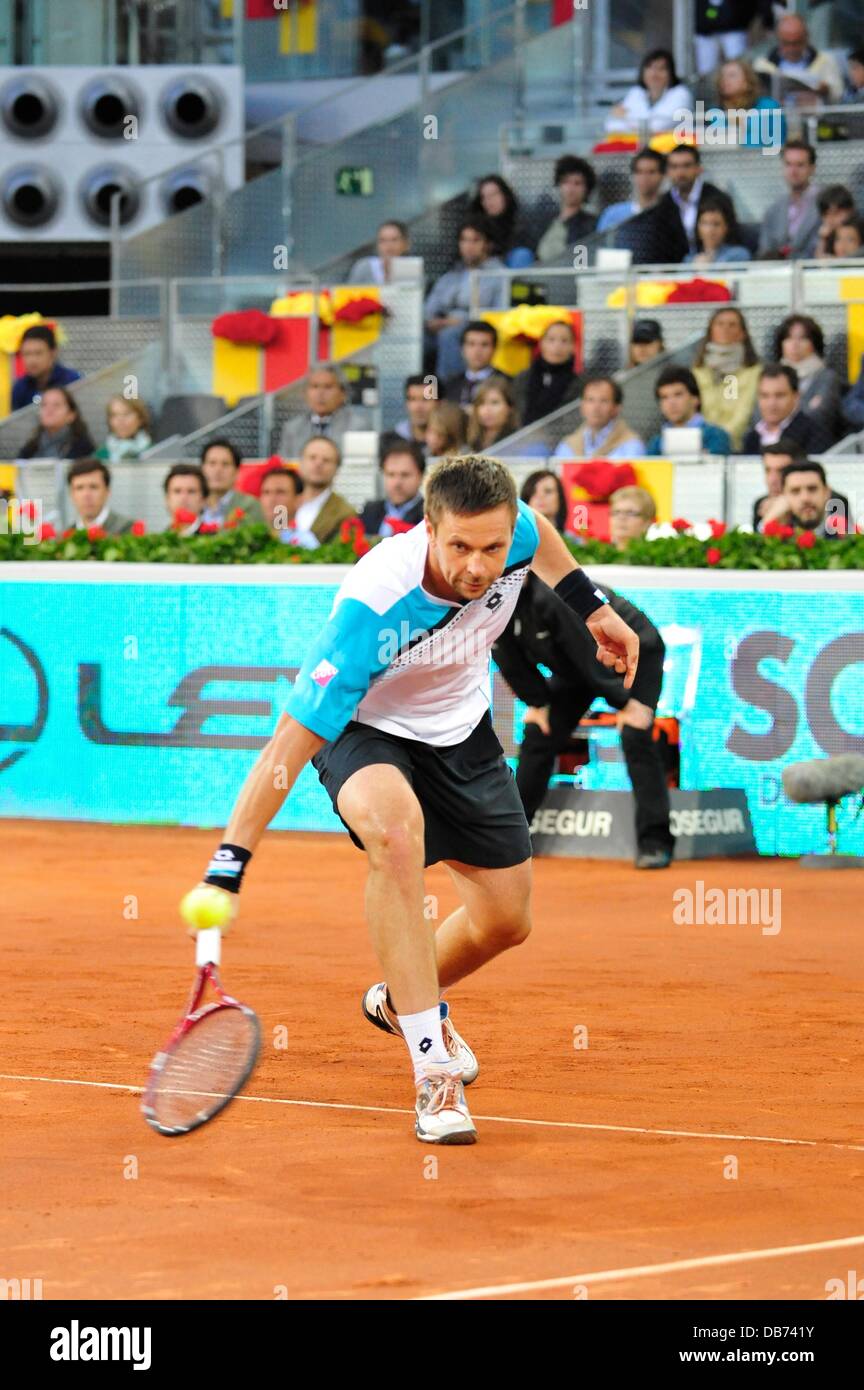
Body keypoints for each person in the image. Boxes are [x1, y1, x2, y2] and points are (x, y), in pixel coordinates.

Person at [182, 454, 640, 1145]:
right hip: (366, 733)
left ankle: (400, 1000)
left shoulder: (512, 532)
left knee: (506, 921)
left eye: (491, 547)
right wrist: (228, 863)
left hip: (461, 731)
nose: (479, 567)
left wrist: (592, 608)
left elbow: (540, 531)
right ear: (428, 527)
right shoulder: (375, 605)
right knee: (396, 836)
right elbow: (287, 746)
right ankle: (433, 1071)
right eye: (459, 546)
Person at [494, 573, 673, 869]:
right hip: (577, 669)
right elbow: (509, 658)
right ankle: (512, 839)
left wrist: (627, 704)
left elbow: (587, 651)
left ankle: (655, 842)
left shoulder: (551, 596)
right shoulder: (494, 603)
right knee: (539, 732)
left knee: (634, 733)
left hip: (634, 656)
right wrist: (537, 702)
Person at [424, 218, 508, 380]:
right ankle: (421, 394)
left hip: (476, 329)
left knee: (449, 335)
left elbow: (499, 314)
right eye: (464, 240)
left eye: (475, 240)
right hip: (442, 326)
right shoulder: (452, 274)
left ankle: (451, 392)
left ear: (488, 244)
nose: (469, 246)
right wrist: (431, 321)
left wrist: (462, 321)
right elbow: (430, 307)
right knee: (418, 338)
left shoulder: (499, 274)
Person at [692, 306, 762, 450]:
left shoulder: (754, 372)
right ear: (710, 331)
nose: (725, 329)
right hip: (701, 445)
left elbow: (745, 412)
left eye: (732, 325)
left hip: (737, 447)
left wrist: (721, 440)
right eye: (720, 324)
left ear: (742, 333)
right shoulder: (697, 372)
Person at [653, 144, 738, 261]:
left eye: (686, 166)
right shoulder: (663, 203)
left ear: (699, 168)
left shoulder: (718, 198)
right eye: (674, 167)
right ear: (668, 171)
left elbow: (732, 236)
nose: (680, 172)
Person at [773, 314, 842, 442]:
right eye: (788, 338)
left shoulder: (827, 377)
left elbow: (819, 415)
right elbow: (759, 415)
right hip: (774, 442)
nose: (795, 344)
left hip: (813, 445)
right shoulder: (770, 377)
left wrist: (780, 413)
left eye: (803, 338)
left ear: (814, 343)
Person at [740, 365, 835, 455]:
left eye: (779, 395)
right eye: (764, 396)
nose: (771, 403)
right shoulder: (751, 438)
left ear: (796, 397)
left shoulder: (815, 435)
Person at [753, 13, 844, 107]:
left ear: (806, 38)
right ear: (778, 40)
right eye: (786, 43)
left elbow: (839, 96)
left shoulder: (826, 61)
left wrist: (825, 90)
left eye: (797, 42)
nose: (791, 48)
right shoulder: (762, 65)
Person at [280, 366, 371, 460]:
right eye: (315, 386)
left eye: (328, 387)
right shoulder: (292, 428)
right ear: (305, 394)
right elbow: (286, 466)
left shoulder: (358, 427)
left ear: (343, 394)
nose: (320, 393)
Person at [757, 140, 822, 260]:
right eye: (788, 164)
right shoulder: (773, 210)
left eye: (800, 165)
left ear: (812, 168)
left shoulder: (825, 204)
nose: (793, 171)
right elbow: (765, 251)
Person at [554, 376, 645, 461]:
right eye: (590, 400)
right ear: (582, 406)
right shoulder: (568, 445)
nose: (596, 408)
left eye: (604, 401)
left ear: (616, 408)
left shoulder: (631, 445)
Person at [604, 48, 693, 135]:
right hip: (640, 147)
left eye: (661, 69)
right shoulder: (636, 93)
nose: (654, 74)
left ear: (671, 73)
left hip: (675, 148)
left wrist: (626, 116)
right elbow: (611, 126)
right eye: (649, 67)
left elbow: (657, 126)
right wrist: (644, 127)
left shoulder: (681, 94)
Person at [646, 366, 732, 454]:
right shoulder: (656, 443)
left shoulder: (716, 436)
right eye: (664, 397)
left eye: (678, 395)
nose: (671, 403)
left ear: (695, 398)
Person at [511, 320, 581, 427]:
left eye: (564, 341)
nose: (557, 346)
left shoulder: (580, 384)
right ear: (542, 343)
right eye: (551, 340)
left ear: (572, 347)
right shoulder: (522, 378)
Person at [758, 459, 849, 538]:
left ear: (827, 492)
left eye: (812, 489)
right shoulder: (780, 536)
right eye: (795, 491)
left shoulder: (843, 534)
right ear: (783, 496)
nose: (805, 498)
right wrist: (768, 522)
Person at [535, 156, 598, 266]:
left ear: (586, 189)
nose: (571, 188)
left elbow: (581, 264)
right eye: (566, 182)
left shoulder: (590, 225)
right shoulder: (543, 221)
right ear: (559, 185)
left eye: (577, 183)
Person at [294, 435, 357, 543]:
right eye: (312, 457)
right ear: (300, 463)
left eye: (326, 460)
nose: (318, 463)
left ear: (337, 469)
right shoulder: (283, 503)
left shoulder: (345, 513)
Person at [359, 439, 425, 537]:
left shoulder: (429, 516)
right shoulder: (369, 511)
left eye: (405, 475)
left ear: (421, 477)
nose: (397, 482)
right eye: (391, 474)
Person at [714, 57, 784, 149]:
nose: (724, 80)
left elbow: (777, 141)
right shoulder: (716, 113)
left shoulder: (768, 106)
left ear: (747, 82)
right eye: (722, 76)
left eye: (732, 75)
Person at [11, 325, 81, 411]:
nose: (32, 360)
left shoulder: (73, 382)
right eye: (27, 353)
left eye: (38, 353)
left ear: (53, 352)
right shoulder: (20, 387)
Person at [596, 148, 666, 234]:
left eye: (651, 172)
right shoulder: (613, 215)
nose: (644, 178)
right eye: (639, 172)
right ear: (633, 175)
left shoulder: (672, 215)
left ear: (662, 175)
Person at [468, 174, 534, 264]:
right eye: (484, 197)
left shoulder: (521, 226)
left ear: (505, 195)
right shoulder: (476, 228)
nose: (489, 201)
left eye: (493, 194)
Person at [443, 321, 510, 408]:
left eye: (484, 345)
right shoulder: (450, 384)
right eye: (471, 344)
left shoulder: (508, 384)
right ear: (462, 348)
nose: (477, 351)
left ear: (494, 349)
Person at [200, 439, 265, 527]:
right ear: (202, 469)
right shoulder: (194, 503)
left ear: (236, 472)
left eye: (225, 464)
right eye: (212, 463)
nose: (218, 470)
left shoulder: (250, 506)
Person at [18, 386, 95, 461]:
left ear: (71, 415)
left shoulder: (83, 449)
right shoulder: (30, 449)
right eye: (44, 405)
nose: (49, 409)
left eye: (56, 405)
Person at [693, 1, 768, 78]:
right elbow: (708, 12)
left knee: (738, 64)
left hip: (734, 28)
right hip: (706, 31)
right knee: (706, 70)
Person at [66, 458, 134, 535]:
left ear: (107, 492)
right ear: (71, 494)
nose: (86, 495)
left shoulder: (127, 530)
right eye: (79, 488)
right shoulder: (67, 536)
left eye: (93, 487)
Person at [751, 438, 807, 530]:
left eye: (781, 471)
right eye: (767, 470)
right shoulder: (762, 503)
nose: (772, 480)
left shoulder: (830, 502)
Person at [259, 464, 319, 549]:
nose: (272, 499)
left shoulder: (306, 543)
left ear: (299, 500)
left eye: (280, 492)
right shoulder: (249, 539)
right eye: (266, 492)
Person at [685, 198, 751, 265]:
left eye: (716, 224)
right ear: (698, 227)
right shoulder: (689, 260)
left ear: (726, 227)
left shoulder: (738, 255)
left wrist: (709, 267)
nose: (710, 230)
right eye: (705, 223)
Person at [348, 219, 410, 285]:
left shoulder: (411, 270)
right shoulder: (364, 268)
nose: (388, 246)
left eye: (394, 240)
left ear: (405, 244)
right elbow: (348, 293)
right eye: (382, 241)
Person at [465, 379, 520, 453]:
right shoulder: (468, 441)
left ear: (510, 407)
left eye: (494, 403)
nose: (487, 410)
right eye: (481, 403)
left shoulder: (520, 440)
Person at [95, 395, 153, 462]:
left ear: (140, 419)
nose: (120, 420)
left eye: (126, 414)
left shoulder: (154, 453)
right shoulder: (100, 455)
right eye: (114, 415)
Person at [814, 185, 857, 259]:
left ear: (850, 210)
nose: (830, 219)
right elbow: (819, 262)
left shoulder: (858, 229)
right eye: (826, 214)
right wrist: (823, 240)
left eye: (836, 213)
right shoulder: (827, 234)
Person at [163, 463, 207, 534]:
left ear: (203, 500)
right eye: (177, 491)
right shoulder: (159, 541)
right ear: (167, 499)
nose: (184, 498)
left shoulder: (215, 539)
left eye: (191, 491)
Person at [394, 374, 433, 453]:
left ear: (439, 403)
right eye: (413, 399)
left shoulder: (453, 443)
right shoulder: (395, 439)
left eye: (425, 399)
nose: (418, 407)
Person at [520, 470, 568, 534]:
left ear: (560, 497)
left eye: (548, 491)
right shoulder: (514, 540)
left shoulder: (574, 542)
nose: (540, 496)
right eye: (533, 491)